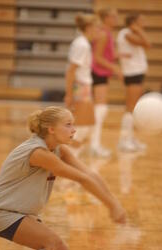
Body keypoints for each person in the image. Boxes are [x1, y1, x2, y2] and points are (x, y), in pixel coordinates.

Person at [0, 106, 126, 250]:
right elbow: (82, 178)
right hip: (3, 212)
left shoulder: (59, 150)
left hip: (19, 212)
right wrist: (112, 205)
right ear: (51, 129)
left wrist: (114, 202)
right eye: (68, 124)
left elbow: (91, 175)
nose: (74, 130)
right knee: (54, 245)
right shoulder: (38, 152)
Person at [65, 13, 108, 157]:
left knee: (87, 125)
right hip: (80, 87)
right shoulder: (82, 44)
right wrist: (70, 94)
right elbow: (71, 71)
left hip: (84, 87)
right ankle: (69, 160)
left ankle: (72, 158)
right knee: (81, 127)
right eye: (97, 28)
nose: (99, 31)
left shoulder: (83, 43)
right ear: (89, 27)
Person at [91, 8, 123, 156]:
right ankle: (94, 145)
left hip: (100, 74)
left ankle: (93, 144)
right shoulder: (103, 34)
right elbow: (97, 57)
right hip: (97, 74)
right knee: (100, 109)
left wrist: (118, 55)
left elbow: (105, 54)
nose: (116, 19)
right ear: (106, 18)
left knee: (99, 109)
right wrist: (115, 68)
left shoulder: (106, 33)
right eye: (113, 16)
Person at [117, 14, 151, 151]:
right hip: (132, 74)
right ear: (133, 23)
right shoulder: (126, 34)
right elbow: (148, 44)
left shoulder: (128, 33)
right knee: (130, 107)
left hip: (136, 74)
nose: (144, 22)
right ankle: (124, 141)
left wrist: (137, 29)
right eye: (140, 21)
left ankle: (130, 138)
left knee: (134, 108)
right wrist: (138, 30)